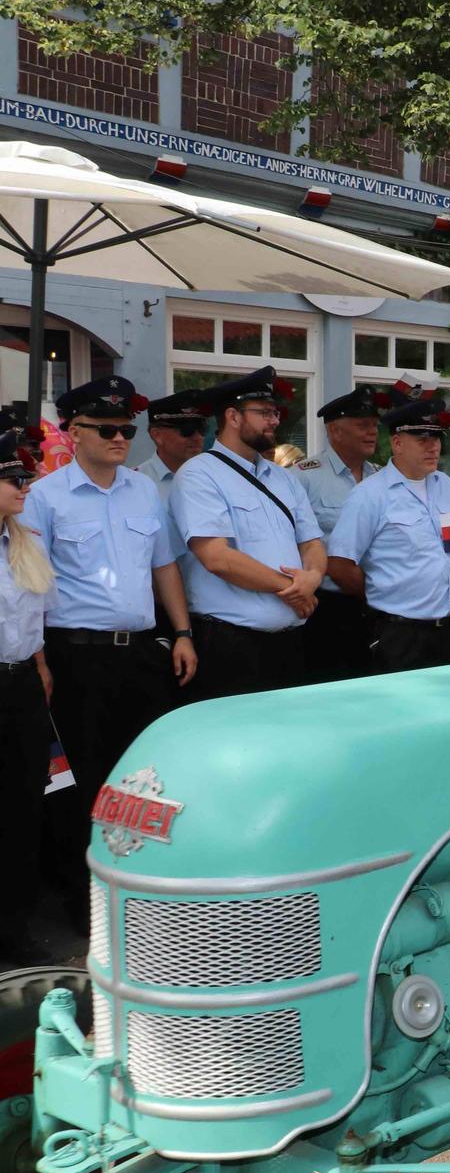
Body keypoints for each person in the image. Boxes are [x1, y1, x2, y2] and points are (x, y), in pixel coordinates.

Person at [21, 377, 198, 904]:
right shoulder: (45, 497)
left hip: (141, 652)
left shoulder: (142, 490)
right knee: (83, 775)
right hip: (76, 654)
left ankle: (142, 881)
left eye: (127, 430)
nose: (120, 439)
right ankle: (85, 896)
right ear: (74, 431)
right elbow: (30, 584)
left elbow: (164, 566)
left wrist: (182, 632)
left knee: (144, 774)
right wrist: (40, 659)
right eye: (107, 430)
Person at [169, 366, 326, 698]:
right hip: (232, 645)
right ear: (233, 416)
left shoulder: (284, 478)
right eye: (264, 412)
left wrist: (312, 578)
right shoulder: (199, 475)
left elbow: (312, 543)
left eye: (275, 412)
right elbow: (217, 558)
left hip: (290, 641)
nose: (274, 421)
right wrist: (293, 588)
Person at [327, 395, 450, 673]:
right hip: (401, 632)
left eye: (437, 438)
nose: (433, 447)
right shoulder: (369, 495)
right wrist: (381, 590)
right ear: (397, 443)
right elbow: (339, 564)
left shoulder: (445, 484)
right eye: (422, 440)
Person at [0, 431, 54, 959]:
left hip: (21, 686)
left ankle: (15, 931)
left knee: (23, 808)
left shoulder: (24, 541)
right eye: (14, 478)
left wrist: (39, 667)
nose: (25, 486)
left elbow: (34, 618)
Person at [296, 385, 386, 682]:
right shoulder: (304, 478)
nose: (372, 432)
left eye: (374, 425)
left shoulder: (382, 477)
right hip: (328, 608)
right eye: (362, 425)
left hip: (379, 604)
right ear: (334, 431)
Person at [134, 389, 208, 490]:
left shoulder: (213, 478)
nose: (198, 437)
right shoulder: (135, 484)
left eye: (202, 429)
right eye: (187, 430)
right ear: (157, 435)